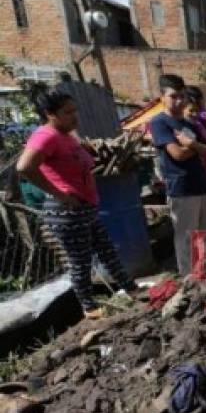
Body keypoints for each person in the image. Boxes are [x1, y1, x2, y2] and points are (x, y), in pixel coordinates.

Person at [16, 89, 136, 319]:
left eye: (75, 110)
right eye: (68, 112)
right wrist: (59, 193)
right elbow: (24, 167)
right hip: (67, 210)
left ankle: (131, 289)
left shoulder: (65, 135)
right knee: (80, 261)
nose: (75, 116)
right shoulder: (45, 135)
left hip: (84, 206)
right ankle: (89, 308)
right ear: (50, 114)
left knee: (106, 250)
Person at [150, 74, 206, 277]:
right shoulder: (160, 122)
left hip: (202, 185)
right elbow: (177, 154)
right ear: (162, 97)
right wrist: (197, 147)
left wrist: (192, 145)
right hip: (182, 188)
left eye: (181, 96)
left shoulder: (190, 123)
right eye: (173, 96)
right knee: (187, 239)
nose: (178, 101)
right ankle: (190, 281)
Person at [183, 94, 206, 179]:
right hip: (193, 173)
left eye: (197, 111)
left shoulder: (199, 126)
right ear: (182, 110)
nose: (195, 114)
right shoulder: (182, 128)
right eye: (191, 110)